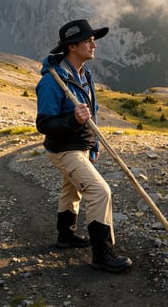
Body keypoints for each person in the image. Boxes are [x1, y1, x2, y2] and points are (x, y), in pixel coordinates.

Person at [35, 19, 132, 273]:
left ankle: (65, 236)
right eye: (88, 40)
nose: (93, 44)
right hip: (64, 149)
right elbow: (44, 123)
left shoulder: (84, 74)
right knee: (100, 191)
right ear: (71, 46)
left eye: (93, 39)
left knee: (72, 189)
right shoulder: (51, 82)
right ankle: (102, 255)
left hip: (81, 147)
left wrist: (94, 144)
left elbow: (93, 113)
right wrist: (72, 119)